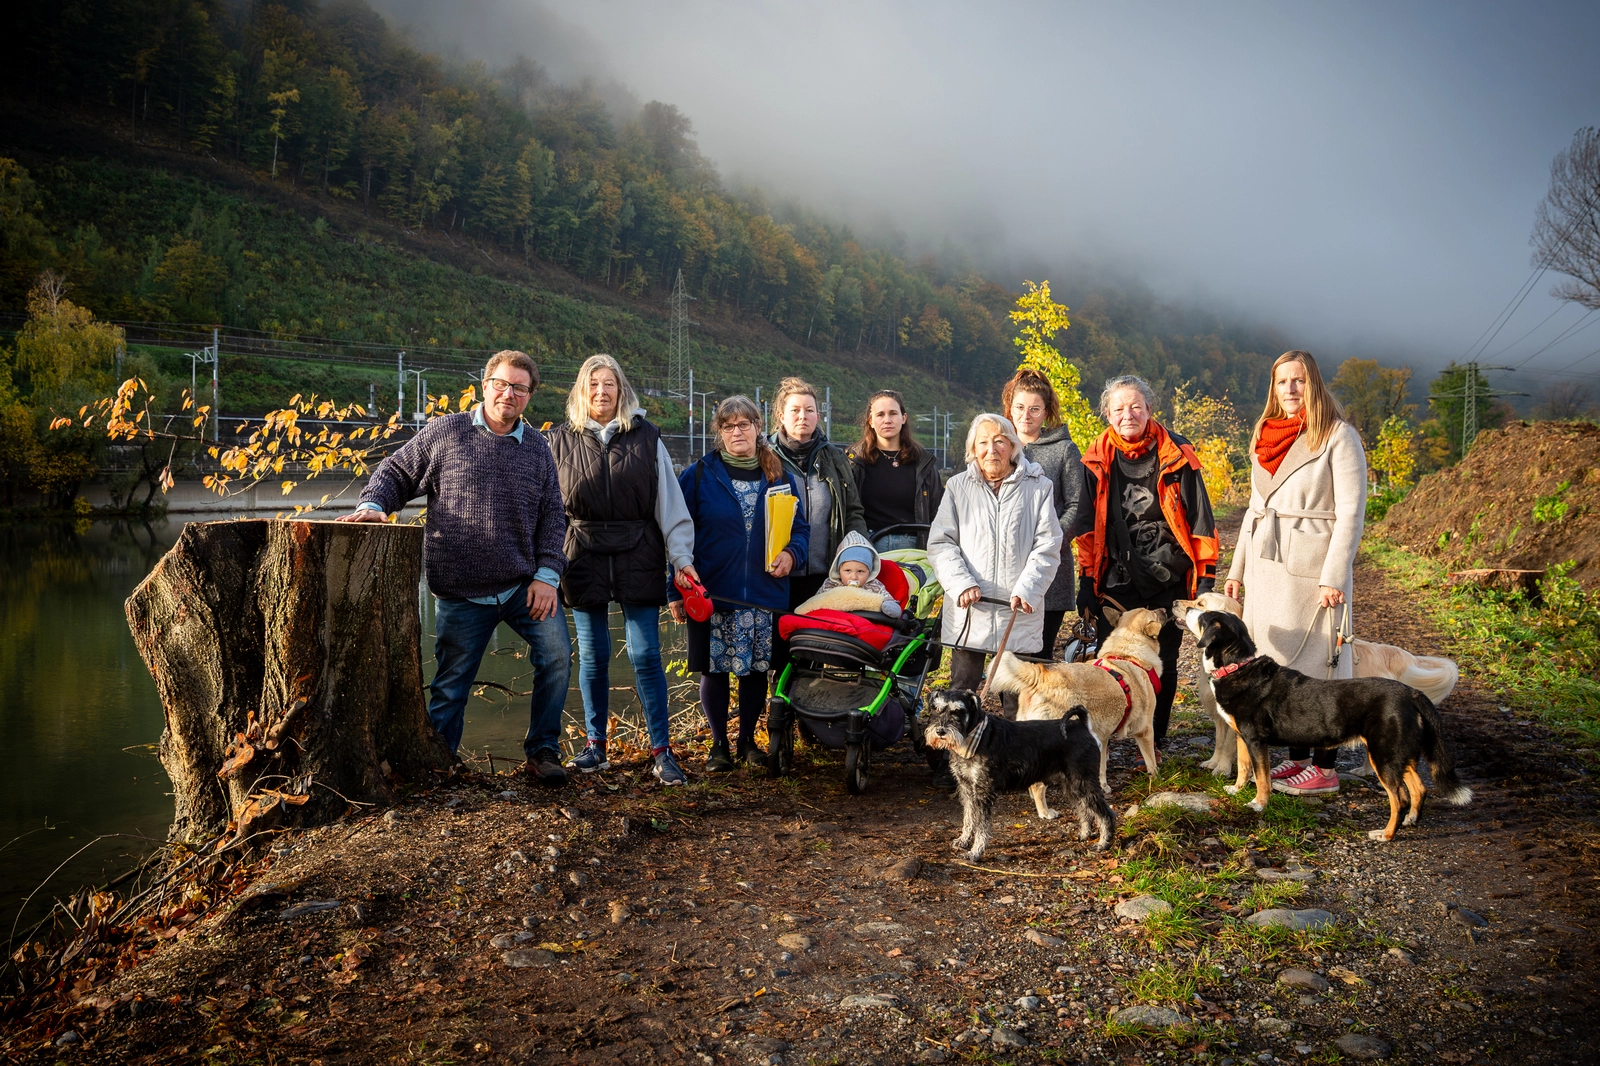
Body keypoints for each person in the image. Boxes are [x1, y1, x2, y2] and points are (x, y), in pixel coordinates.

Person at [338, 350, 572, 787]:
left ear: (529, 397)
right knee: (450, 689)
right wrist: (373, 506)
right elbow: (396, 471)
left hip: (523, 587)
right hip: (462, 594)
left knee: (558, 656)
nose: (509, 393)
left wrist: (547, 576)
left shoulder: (538, 448)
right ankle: (439, 767)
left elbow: (552, 517)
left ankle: (542, 751)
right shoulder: (448, 431)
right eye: (501, 384)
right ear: (485, 386)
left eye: (520, 388)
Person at [547, 354, 694, 787]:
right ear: (580, 390)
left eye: (609, 384)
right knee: (591, 656)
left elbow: (670, 503)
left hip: (640, 552)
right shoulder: (558, 440)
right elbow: (548, 511)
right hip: (581, 554)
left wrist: (681, 560)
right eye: (592, 384)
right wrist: (545, 565)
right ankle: (596, 748)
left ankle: (662, 752)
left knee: (646, 654)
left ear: (621, 389)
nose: (601, 392)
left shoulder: (647, 437)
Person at [1225, 351, 1367, 796]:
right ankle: (1298, 760)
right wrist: (1237, 569)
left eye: (1299, 380)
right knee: (1279, 666)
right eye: (1282, 381)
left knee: (1320, 666)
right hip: (1267, 568)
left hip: (1311, 568)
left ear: (1315, 385)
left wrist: (1334, 575)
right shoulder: (1264, 436)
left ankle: (1324, 767)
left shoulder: (1338, 436)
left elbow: (1350, 514)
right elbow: (1253, 511)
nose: (1289, 389)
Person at [1072, 374, 1219, 754]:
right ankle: (1110, 732)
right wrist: (1086, 581)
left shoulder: (1176, 452)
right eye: (1119, 408)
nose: (1128, 414)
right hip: (1116, 578)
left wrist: (1205, 580)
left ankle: (1157, 737)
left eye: (1136, 406)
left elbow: (1202, 520)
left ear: (1150, 410)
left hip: (1170, 576)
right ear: (1107, 413)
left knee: (1163, 660)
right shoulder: (1096, 458)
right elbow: (1088, 528)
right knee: (1114, 657)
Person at [670, 396, 808, 772]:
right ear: (719, 432)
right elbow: (677, 534)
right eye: (728, 426)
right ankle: (718, 746)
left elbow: (800, 529)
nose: (737, 432)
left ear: (758, 427)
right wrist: (674, 591)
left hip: (766, 592)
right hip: (712, 592)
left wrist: (792, 555)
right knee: (714, 669)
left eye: (744, 424)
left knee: (755, 670)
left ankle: (747, 741)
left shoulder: (780, 475)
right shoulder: (699, 475)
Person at [928, 412, 1062, 717]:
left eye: (1000, 441)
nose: (992, 449)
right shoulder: (958, 487)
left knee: (1016, 695)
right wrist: (961, 583)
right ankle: (953, 750)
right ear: (973, 449)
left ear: (1013, 446)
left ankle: (1014, 759)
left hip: (1017, 609)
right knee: (961, 688)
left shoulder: (1038, 488)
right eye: (983, 442)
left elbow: (1048, 546)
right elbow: (940, 543)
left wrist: (1028, 589)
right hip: (970, 609)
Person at [1002, 369, 1087, 657]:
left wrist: (1050, 544)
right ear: (1010, 408)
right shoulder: (996, 448)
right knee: (1007, 654)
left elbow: (1076, 505)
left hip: (1050, 567)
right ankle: (1011, 705)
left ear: (1046, 411)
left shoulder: (1065, 450)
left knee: (1038, 654)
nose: (1026, 415)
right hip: (1005, 566)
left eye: (1035, 409)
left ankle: (1039, 705)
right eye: (1020, 408)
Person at [770, 377, 867, 609]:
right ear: (781, 416)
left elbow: (853, 511)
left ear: (818, 417)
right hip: (776, 575)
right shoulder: (764, 457)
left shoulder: (835, 459)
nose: (802, 416)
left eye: (809, 410)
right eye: (795, 410)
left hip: (826, 577)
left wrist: (857, 555)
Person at [844, 389, 944, 550]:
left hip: (915, 549)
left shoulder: (923, 463)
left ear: (903, 418)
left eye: (893, 413)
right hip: (869, 546)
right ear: (870, 421)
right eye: (880, 415)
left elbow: (938, 512)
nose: (887, 420)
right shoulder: (855, 462)